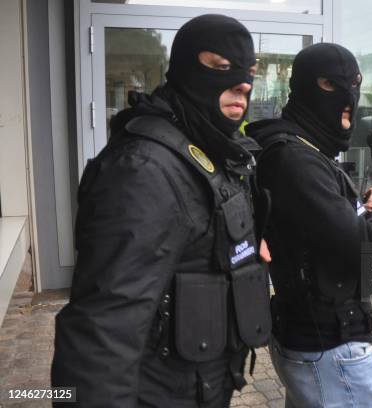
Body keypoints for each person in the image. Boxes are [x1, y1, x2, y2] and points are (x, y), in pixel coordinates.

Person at [51, 15, 271, 407]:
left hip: (200, 386)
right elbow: (103, 327)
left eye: (250, 72)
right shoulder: (144, 169)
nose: (243, 83)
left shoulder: (205, 147)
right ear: (186, 68)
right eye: (222, 67)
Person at [246, 43, 372, 407]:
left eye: (356, 83)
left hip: (319, 342)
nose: (349, 96)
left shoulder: (304, 151)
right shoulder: (295, 159)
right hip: (329, 346)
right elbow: (369, 250)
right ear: (304, 88)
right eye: (332, 85)